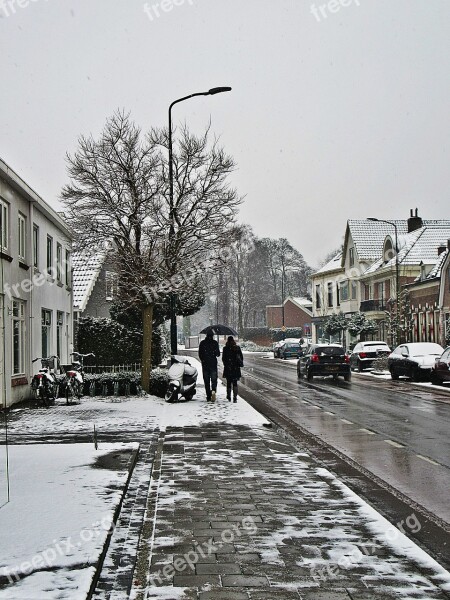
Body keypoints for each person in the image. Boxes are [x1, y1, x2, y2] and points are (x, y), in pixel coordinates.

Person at [198, 331, 220, 401]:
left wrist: (203, 360)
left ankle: (208, 395)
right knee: (214, 379)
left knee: (206, 380)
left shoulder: (202, 343)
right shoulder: (215, 343)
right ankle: (213, 390)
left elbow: (200, 354)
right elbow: (218, 354)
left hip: (205, 364)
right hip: (213, 363)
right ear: (212, 336)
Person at [222, 336, 244, 402]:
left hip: (228, 368)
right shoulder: (237, 348)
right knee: (235, 383)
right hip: (235, 368)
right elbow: (241, 357)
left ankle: (228, 396)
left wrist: (226, 365)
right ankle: (235, 397)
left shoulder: (225, 348)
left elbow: (224, 359)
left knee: (228, 382)